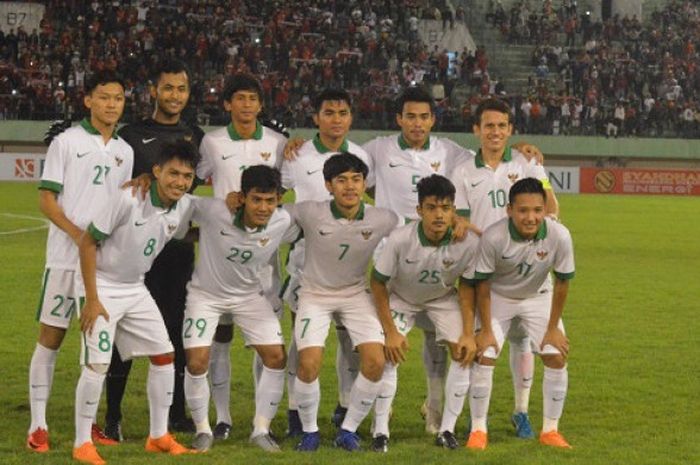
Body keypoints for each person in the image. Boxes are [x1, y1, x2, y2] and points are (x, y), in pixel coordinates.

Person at [73, 140, 199, 465]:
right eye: (173, 173)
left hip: (134, 288)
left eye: (187, 176)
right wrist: (91, 299)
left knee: (164, 355)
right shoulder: (128, 198)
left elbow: (219, 215)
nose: (180, 182)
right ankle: (82, 442)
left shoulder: (186, 205)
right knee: (98, 363)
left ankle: (158, 437)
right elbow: (88, 242)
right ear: (155, 172)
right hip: (100, 285)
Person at [27, 70, 134, 453]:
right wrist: (78, 235)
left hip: (104, 268)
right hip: (63, 260)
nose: (111, 104)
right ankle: (38, 425)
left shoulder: (126, 151)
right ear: (88, 100)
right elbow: (46, 200)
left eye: (118, 98)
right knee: (51, 338)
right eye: (104, 97)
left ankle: (87, 429)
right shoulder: (66, 142)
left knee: (98, 347)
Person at [102, 58, 205, 441]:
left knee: (173, 333)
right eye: (168, 88)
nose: (174, 95)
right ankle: (113, 416)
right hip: (132, 252)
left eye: (181, 89)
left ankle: (175, 415)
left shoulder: (197, 135)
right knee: (119, 338)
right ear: (153, 92)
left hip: (175, 252)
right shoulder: (131, 134)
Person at [362, 86, 472, 434]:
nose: (417, 123)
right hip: (393, 261)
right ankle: (380, 409)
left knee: (436, 341)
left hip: (438, 261)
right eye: (410, 116)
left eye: (424, 116)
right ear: (399, 118)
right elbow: (345, 171)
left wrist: (527, 156)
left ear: (433, 119)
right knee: (379, 342)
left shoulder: (450, 152)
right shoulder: (378, 149)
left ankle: (435, 409)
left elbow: (487, 161)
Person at [450, 97, 559, 441]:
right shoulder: (464, 171)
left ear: (510, 130)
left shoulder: (528, 162)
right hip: (487, 275)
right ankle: (476, 421)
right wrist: (496, 240)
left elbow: (552, 209)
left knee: (523, 343)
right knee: (485, 349)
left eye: (501, 126)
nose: (495, 132)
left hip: (527, 272)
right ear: (476, 130)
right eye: (488, 126)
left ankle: (521, 412)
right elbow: (463, 225)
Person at [183, 165, 299, 453]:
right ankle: (202, 430)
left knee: (275, 357)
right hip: (205, 296)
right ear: (242, 197)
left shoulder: (283, 220)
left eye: (270, 200)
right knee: (197, 361)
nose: (263, 207)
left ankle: (261, 430)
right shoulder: (213, 210)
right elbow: (175, 203)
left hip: (249, 297)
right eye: (256, 199)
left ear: (278, 200)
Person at [196, 73, 287, 440]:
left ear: (261, 105)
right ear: (227, 104)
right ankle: (223, 418)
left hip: (264, 257)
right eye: (240, 98)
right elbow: (198, 180)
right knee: (220, 337)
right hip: (220, 256)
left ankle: (260, 423)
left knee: (264, 341)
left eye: (253, 99)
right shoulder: (212, 143)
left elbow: (287, 187)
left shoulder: (278, 143)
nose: (247, 105)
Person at [291, 153, 399, 452]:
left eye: (356, 179)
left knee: (376, 362)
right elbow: (266, 211)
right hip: (314, 294)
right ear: (328, 185)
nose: (349, 187)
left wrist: (459, 224)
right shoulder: (309, 212)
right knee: (309, 364)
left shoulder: (383, 218)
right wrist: (235, 200)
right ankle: (310, 431)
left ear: (365, 184)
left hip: (355, 293)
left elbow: (415, 232)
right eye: (341, 180)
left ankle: (348, 429)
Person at [279, 88, 371, 436]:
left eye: (343, 112)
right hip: (306, 262)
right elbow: (277, 193)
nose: (336, 119)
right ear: (316, 117)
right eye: (328, 112)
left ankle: (346, 405)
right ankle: (293, 411)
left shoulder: (361, 155)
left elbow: (369, 198)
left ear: (351, 117)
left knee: (350, 340)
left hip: (351, 266)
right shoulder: (296, 155)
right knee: (301, 341)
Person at [369, 174, 479, 452]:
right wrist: (391, 332)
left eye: (445, 208)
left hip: (442, 299)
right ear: (419, 211)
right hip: (401, 298)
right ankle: (380, 430)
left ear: (454, 210)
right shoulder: (400, 238)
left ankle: (447, 429)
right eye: (431, 208)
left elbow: (467, 288)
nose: (439, 215)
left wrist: (468, 333)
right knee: (386, 353)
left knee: (464, 353)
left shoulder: (466, 243)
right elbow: (378, 283)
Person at [464, 177, 574, 450]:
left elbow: (562, 283)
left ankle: (550, 430)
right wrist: (486, 330)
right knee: (485, 354)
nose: (531, 217)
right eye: (523, 210)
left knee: (556, 355)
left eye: (537, 210)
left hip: (538, 297)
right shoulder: (494, 236)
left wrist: (552, 329)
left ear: (545, 209)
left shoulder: (559, 235)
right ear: (509, 210)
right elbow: (483, 285)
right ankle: (478, 430)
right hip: (499, 296)